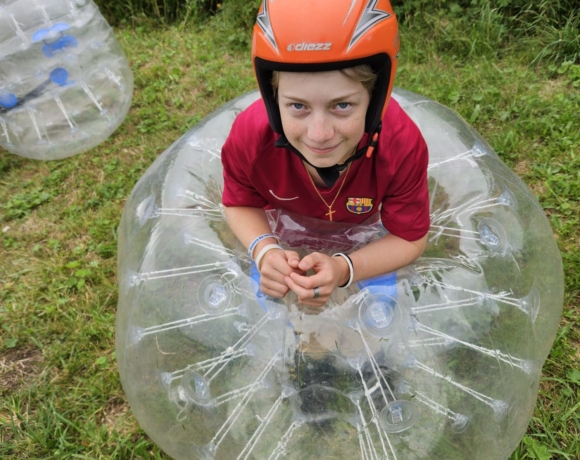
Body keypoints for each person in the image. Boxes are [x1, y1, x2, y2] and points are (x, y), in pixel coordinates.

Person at [221, 0, 430, 308]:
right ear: (273, 99)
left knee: (378, 327)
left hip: (364, 237)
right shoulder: (251, 137)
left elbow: (409, 237)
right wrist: (265, 250)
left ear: (375, 101)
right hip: (283, 238)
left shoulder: (400, 144)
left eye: (342, 105)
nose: (319, 134)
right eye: (298, 106)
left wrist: (345, 268)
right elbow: (238, 203)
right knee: (258, 314)